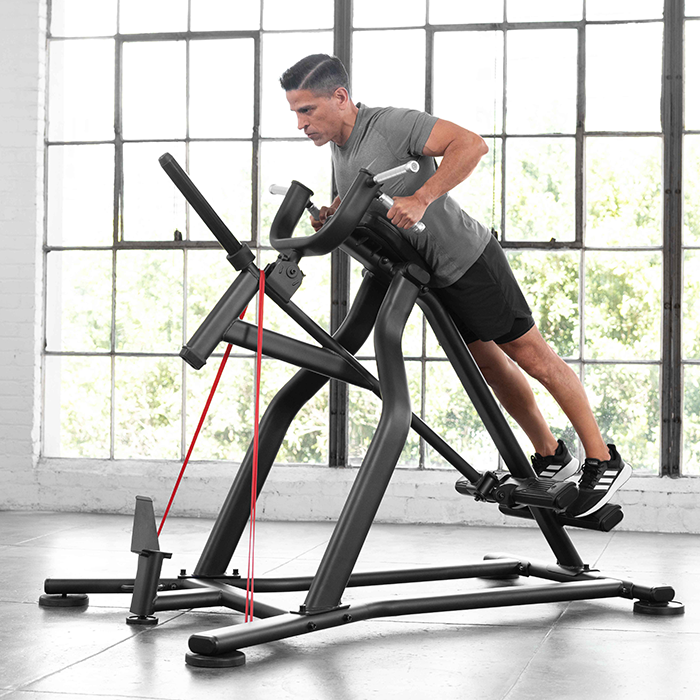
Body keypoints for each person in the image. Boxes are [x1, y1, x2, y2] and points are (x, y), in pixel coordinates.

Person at [279, 53, 631, 518]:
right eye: (295, 113)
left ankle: (604, 459)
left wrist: (422, 197)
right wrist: (337, 211)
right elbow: (372, 190)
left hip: (469, 260)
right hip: (433, 274)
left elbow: (470, 145)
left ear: (340, 97)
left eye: (307, 110)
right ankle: (551, 455)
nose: (301, 124)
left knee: (533, 358)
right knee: (491, 367)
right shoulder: (341, 149)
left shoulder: (392, 124)